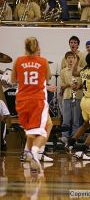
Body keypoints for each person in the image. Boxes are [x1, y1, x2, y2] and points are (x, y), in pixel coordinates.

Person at [10, 37, 52, 172]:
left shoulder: (17, 60)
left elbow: (12, 80)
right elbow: (47, 78)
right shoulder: (43, 61)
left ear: (25, 47)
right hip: (37, 100)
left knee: (30, 131)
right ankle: (35, 151)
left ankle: (28, 152)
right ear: (37, 47)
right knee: (43, 131)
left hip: (21, 101)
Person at [60, 51, 83, 144]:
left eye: (72, 58)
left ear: (75, 59)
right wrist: (68, 84)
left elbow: (83, 84)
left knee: (76, 119)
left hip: (77, 96)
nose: (70, 60)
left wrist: (78, 86)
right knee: (66, 118)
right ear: (66, 60)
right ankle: (65, 136)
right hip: (67, 97)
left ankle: (74, 137)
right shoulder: (63, 71)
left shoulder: (81, 70)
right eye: (68, 58)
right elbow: (61, 86)